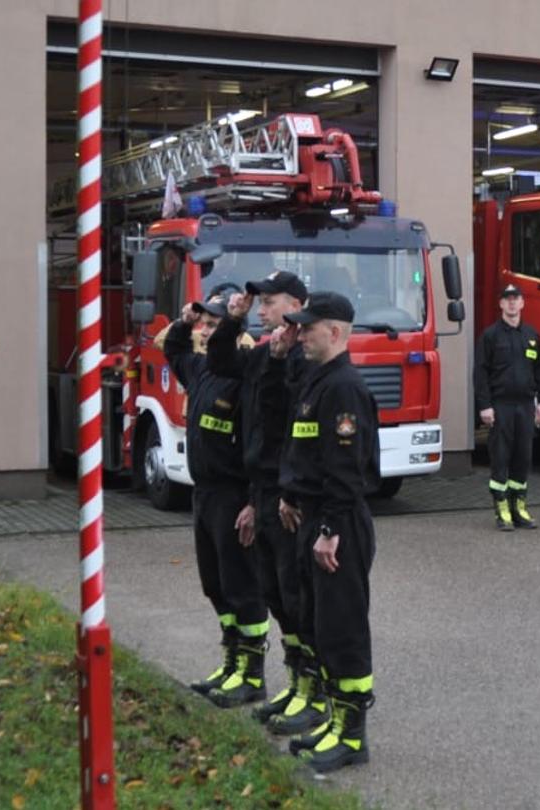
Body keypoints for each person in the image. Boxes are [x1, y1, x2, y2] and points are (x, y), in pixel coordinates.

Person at [208, 271, 326, 736]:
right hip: (260, 491)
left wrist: (283, 496)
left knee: (297, 596)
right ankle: (296, 684)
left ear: (294, 305)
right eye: (255, 304)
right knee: (276, 595)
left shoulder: (304, 357)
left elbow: (290, 429)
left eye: (267, 302)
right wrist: (231, 323)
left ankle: (313, 693)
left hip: (287, 497)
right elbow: (219, 364)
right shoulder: (262, 354)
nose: (259, 310)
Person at [275, 292, 381, 773]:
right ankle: (335, 720)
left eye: (309, 327)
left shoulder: (343, 388)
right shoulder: (317, 382)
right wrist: (291, 497)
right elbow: (305, 453)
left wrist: (330, 530)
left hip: (337, 523)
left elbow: (347, 469)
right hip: (314, 515)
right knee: (319, 624)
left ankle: (353, 736)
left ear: (335, 332)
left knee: (343, 631)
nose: (300, 334)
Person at [163, 292, 267, 709]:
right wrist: (184, 320)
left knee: (243, 586)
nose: (205, 331)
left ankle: (252, 674)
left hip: (233, 495)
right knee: (217, 585)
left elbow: (259, 447)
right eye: (204, 324)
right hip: (203, 494)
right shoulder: (201, 368)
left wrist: (252, 503)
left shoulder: (245, 378)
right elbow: (173, 349)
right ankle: (231, 661)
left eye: (212, 324)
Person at [474, 284, 540, 531]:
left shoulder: (531, 335)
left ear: (522, 303)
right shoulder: (490, 336)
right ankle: (502, 509)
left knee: (523, 457)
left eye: (516, 299)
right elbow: (481, 373)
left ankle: (520, 508)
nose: (513, 303)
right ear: (501, 304)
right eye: (508, 299)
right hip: (501, 406)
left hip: (525, 406)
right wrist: (484, 406)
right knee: (501, 457)